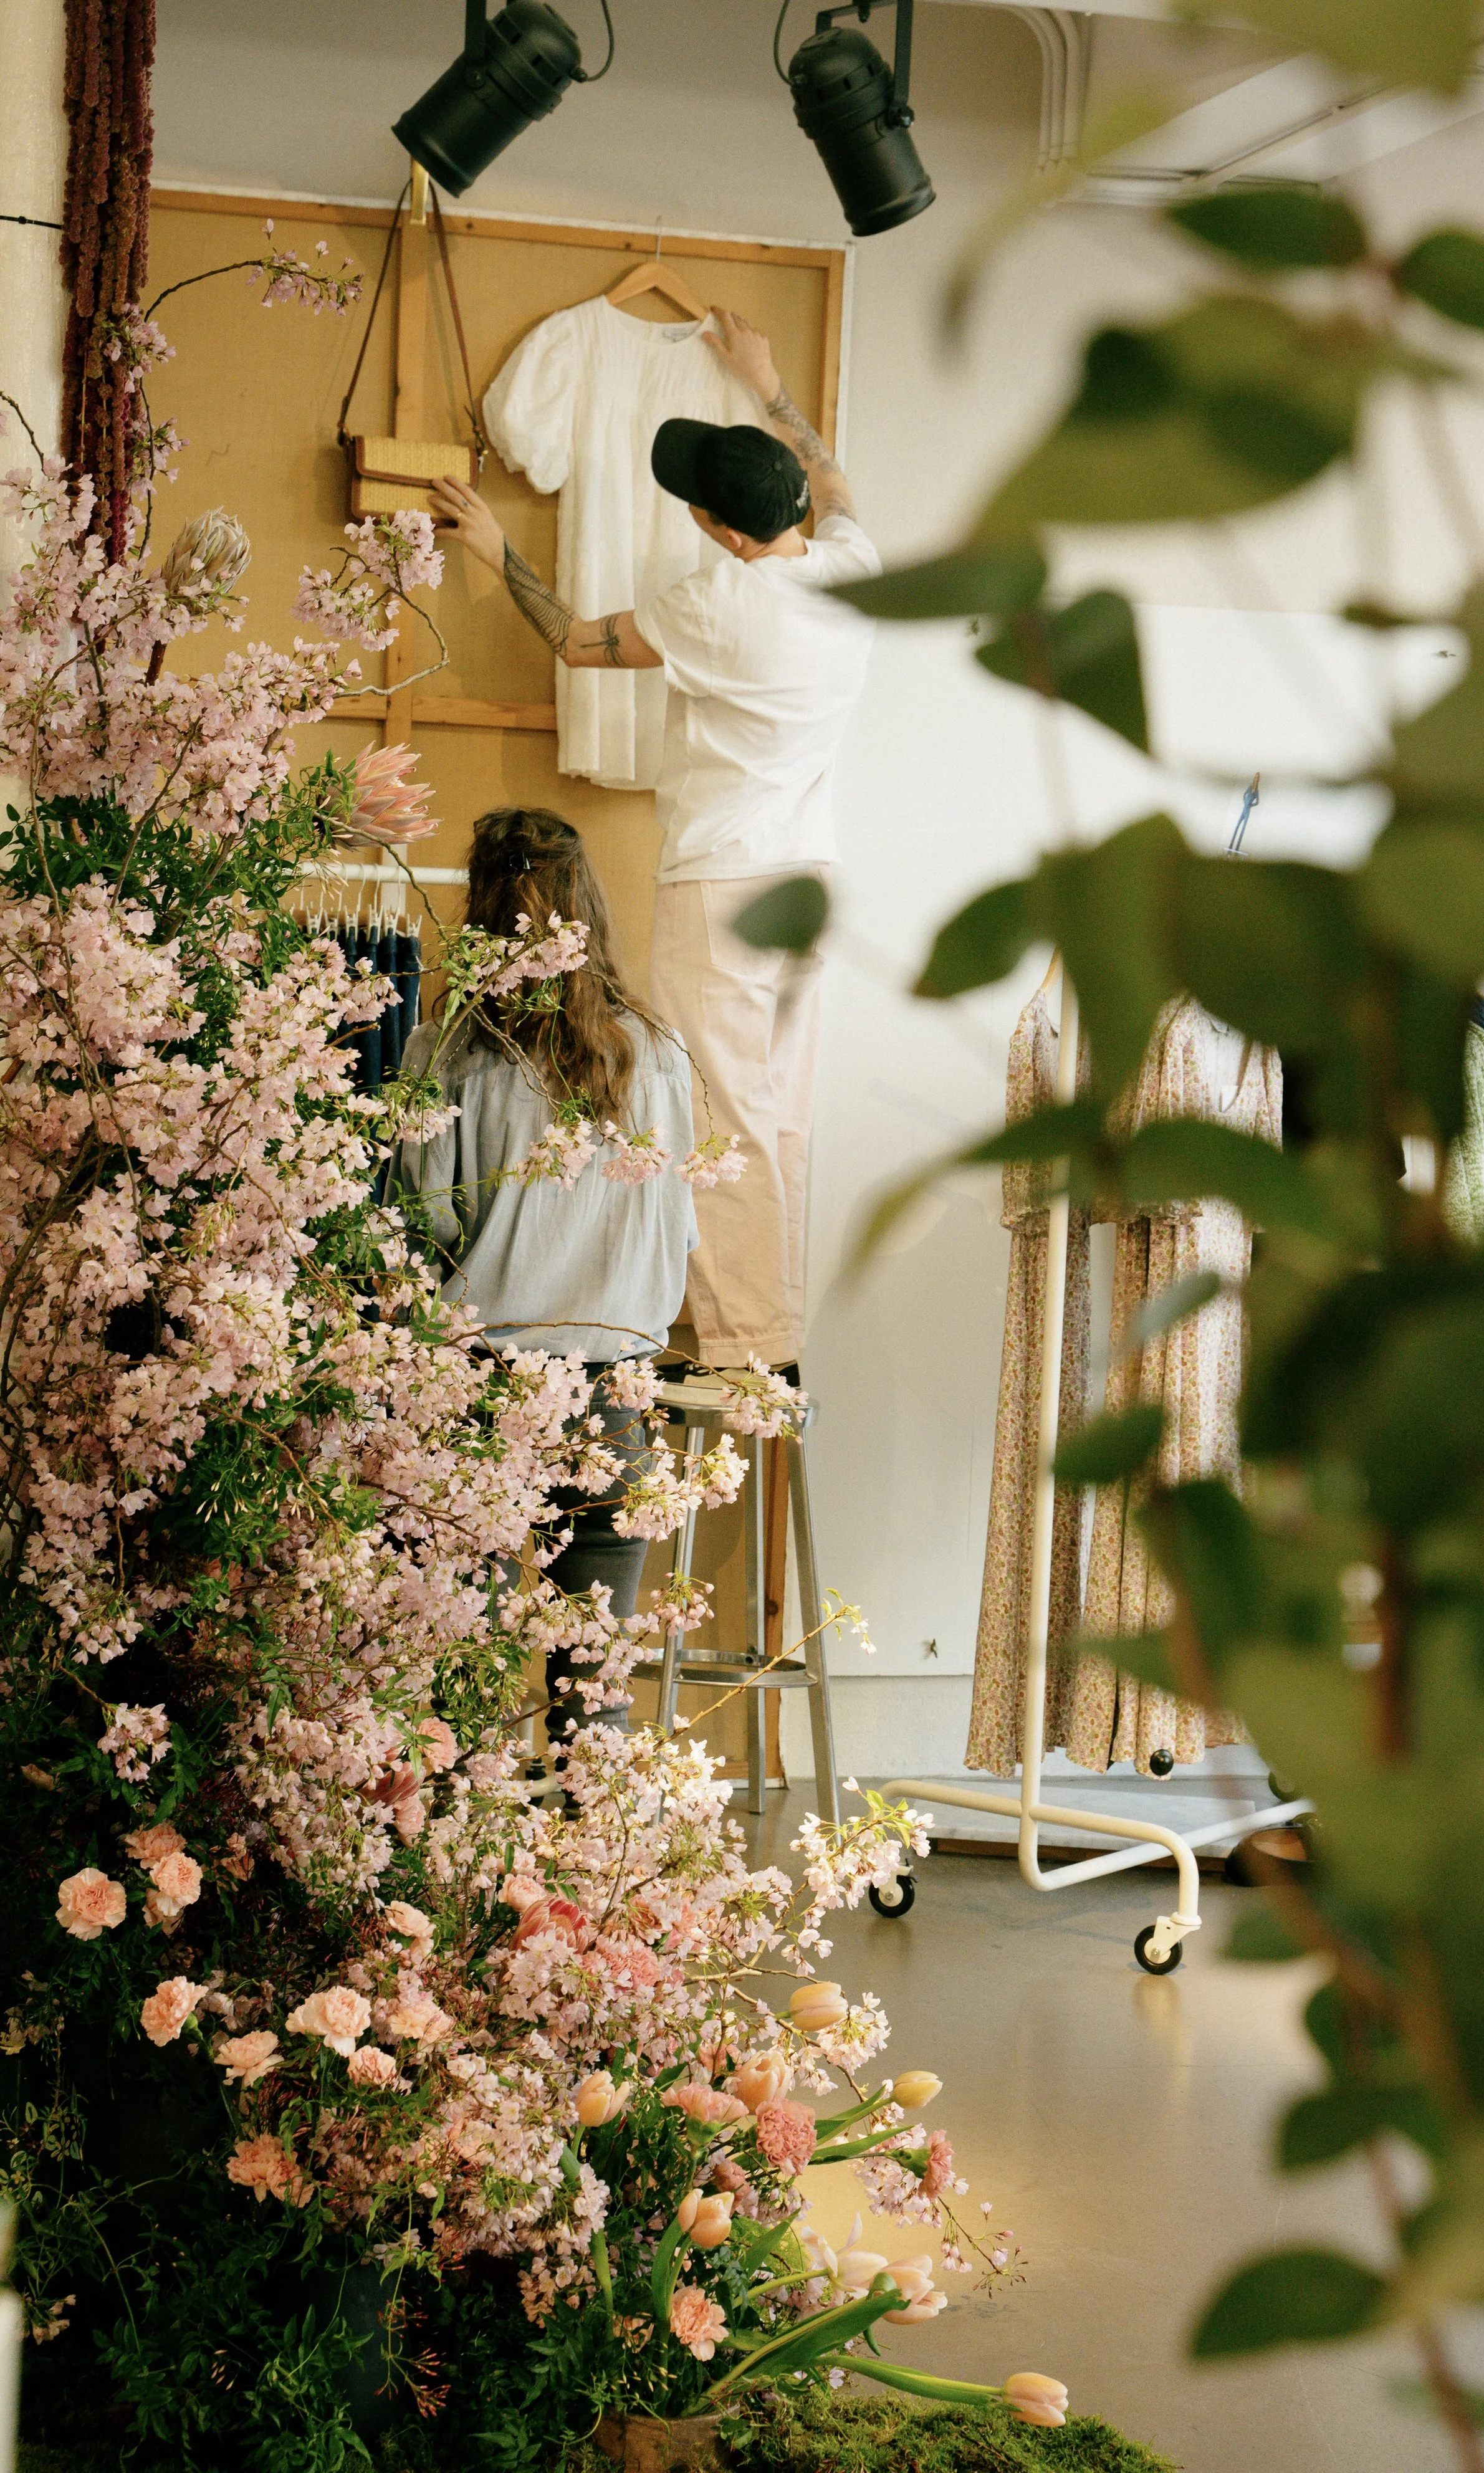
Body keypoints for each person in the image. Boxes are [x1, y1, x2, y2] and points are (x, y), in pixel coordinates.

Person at [431, 308, 880, 1382]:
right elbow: (842, 488)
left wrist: (501, 554)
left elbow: (581, 646)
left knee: (712, 1117)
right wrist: (766, 383)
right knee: (773, 1120)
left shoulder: (717, 605)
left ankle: (740, 1348)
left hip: (726, 884)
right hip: (809, 884)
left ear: (726, 533)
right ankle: (753, 1331)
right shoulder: (850, 567)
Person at [393, 805, 696, 1741]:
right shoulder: (661, 1055)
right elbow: (678, 1230)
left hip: (486, 1386)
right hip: (617, 1391)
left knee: (464, 1672)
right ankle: (584, 1881)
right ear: (589, 910)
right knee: (594, 1688)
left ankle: (459, 1875)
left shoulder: (451, 1053)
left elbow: (427, 1224)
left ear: (482, 912)